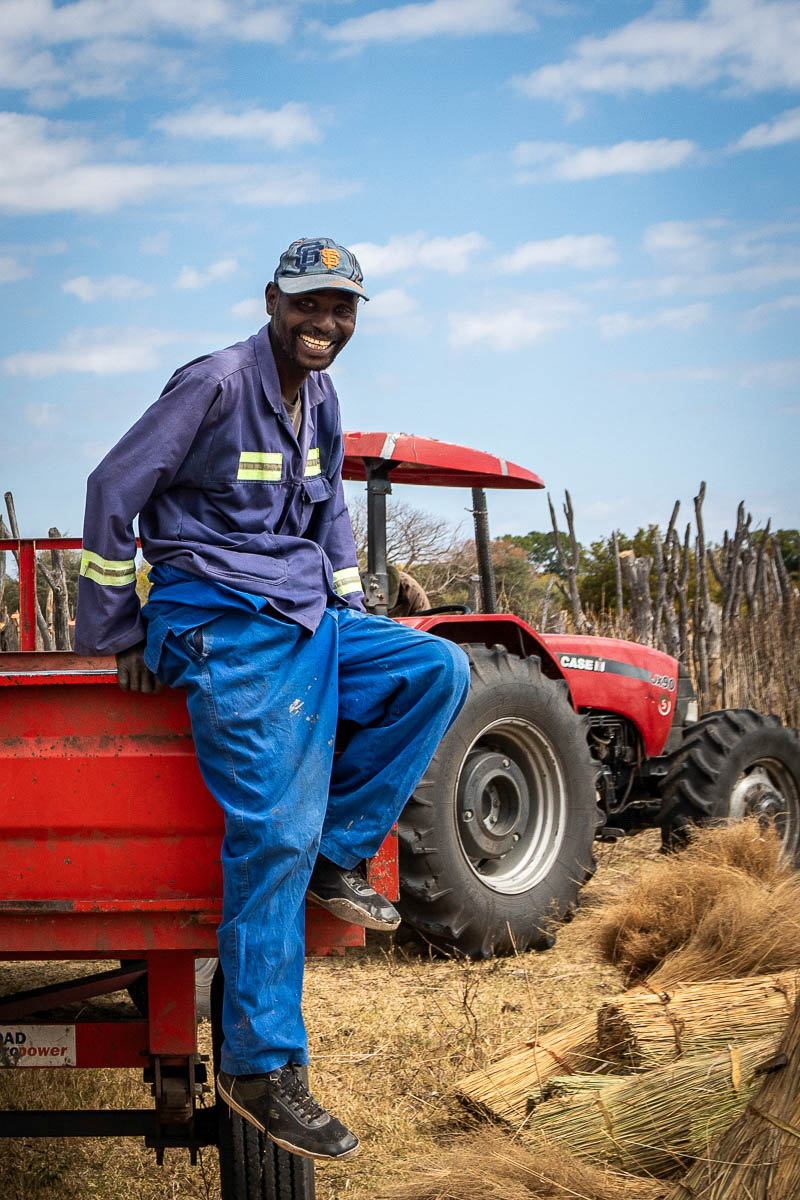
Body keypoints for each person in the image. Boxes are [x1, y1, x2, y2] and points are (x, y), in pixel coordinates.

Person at [74, 237, 470, 1162]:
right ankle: (260, 1064)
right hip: (220, 615)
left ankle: (339, 855)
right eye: (309, 306)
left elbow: (328, 511)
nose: (324, 325)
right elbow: (111, 490)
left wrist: (356, 611)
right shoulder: (213, 385)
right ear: (272, 301)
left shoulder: (321, 399)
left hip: (301, 614)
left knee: (435, 672)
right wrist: (116, 632)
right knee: (271, 832)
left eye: (342, 310)